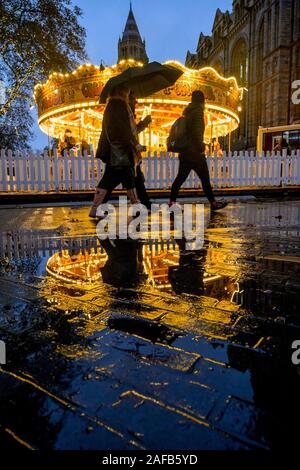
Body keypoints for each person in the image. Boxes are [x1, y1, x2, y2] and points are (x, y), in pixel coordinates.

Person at [169, 90, 227, 211]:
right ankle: (213, 203)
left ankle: (172, 202)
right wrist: (201, 147)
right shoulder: (198, 112)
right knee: (205, 179)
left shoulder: (188, 112)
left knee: (180, 178)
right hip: (195, 153)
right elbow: (197, 132)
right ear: (202, 101)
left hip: (186, 152)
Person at [89, 84, 140, 218]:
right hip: (119, 150)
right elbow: (124, 129)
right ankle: (96, 208)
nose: (128, 94)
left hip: (116, 149)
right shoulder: (119, 105)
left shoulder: (112, 106)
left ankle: (97, 208)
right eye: (127, 91)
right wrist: (133, 143)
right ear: (122, 91)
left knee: (123, 178)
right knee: (116, 178)